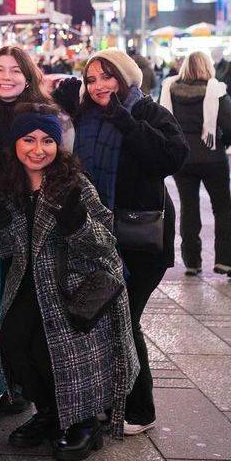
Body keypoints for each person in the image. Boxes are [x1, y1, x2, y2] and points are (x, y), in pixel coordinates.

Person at [0, 104, 137, 461]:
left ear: (58, 146)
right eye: (29, 140)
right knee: (14, 342)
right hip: (29, 281)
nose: (38, 149)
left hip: (77, 285)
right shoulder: (9, 186)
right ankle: (50, 413)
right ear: (15, 145)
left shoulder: (74, 183)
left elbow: (105, 241)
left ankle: (85, 423)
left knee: (61, 348)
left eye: (48, 140)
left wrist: (76, 221)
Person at [53, 47, 187, 437]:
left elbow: (172, 157)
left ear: (125, 77)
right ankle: (109, 400)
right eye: (91, 79)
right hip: (98, 237)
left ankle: (141, 409)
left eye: (107, 76)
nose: (98, 86)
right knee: (105, 320)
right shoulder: (84, 116)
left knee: (126, 319)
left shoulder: (146, 112)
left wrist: (125, 121)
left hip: (141, 237)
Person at [0, 46, 61, 416]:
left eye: (14, 70)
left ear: (28, 76)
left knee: (28, 304)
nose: (6, 77)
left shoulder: (46, 114)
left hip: (34, 222)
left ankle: (19, 382)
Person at [160, 51, 231, 279]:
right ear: (208, 66)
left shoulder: (170, 89)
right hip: (213, 158)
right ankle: (226, 260)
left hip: (183, 160)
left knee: (189, 208)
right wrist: (221, 142)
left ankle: (192, 261)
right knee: (222, 208)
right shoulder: (215, 89)